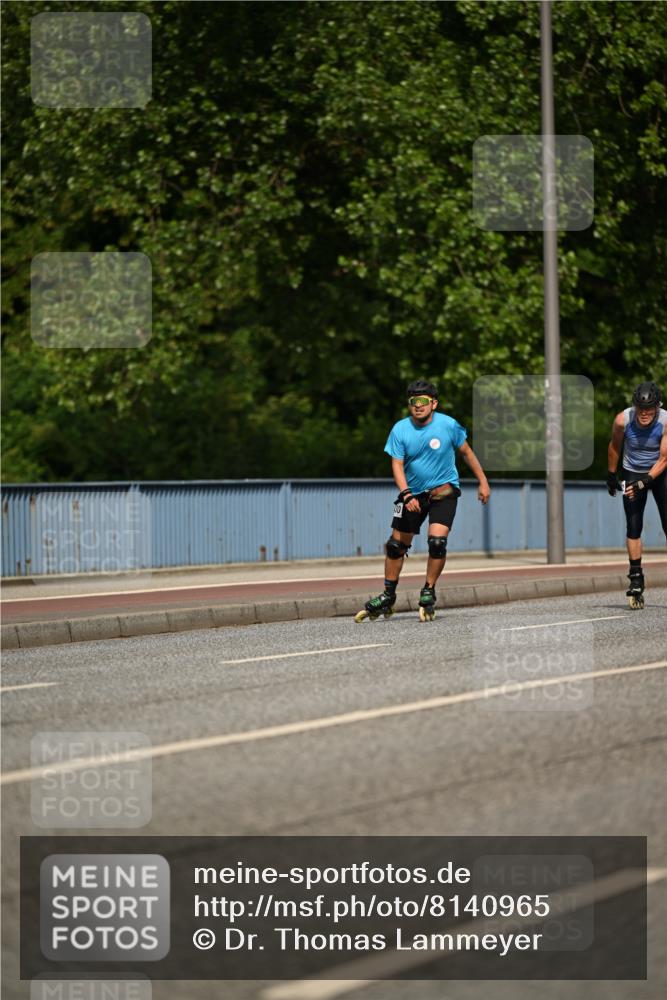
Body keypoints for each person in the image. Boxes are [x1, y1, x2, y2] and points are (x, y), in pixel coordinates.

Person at [355, 379, 491, 622]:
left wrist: (483, 481)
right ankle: (388, 596)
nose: (417, 406)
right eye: (413, 402)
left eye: (423, 401)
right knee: (396, 547)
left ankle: (428, 590)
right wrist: (406, 495)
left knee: (437, 542)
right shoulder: (400, 430)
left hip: (444, 492)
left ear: (433, 404)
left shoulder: (449, 425)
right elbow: (396, 465)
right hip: (412, 495)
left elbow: (467, 453)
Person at [607, 380, 667, 608]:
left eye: (649, 410)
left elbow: (664, 458)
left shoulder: (665, 421)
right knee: (633, 525)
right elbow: (614, 446)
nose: (644, 414)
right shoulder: (623, 420)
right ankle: (636, 579)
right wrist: (612, 474)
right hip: (631, 471)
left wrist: (647, 480)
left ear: (657, 407)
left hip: (660, 473)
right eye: (641, 409)